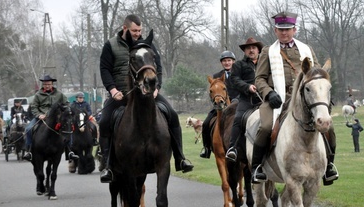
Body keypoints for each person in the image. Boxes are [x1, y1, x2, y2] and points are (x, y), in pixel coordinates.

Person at [98, 14, 193, 183]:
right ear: (125, 28)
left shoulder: (147, 46)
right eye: (135, 30)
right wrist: (113, 90)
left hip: (147, 93)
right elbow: (105, 69)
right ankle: (107, 165)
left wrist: (156, 88)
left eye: (140, 30)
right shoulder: (111, 45)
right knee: (105, 121)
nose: (137, 33)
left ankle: (180, 157)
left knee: (172, 114)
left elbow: (158, 68)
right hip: (121, 94)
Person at [251, 11, 339, 185]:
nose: (285, 33)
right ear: (275, 31)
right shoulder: (268, 52)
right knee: (266, 127)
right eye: (281, 30)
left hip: (303, 100)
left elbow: (317, 73)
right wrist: (269, 93)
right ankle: (257, 167)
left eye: (288, 29)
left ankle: (329, 166)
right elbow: (259, 79)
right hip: (277, 99)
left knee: (329, 127)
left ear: (294, 30)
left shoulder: (306, 49)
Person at [23, 75, 79, 162]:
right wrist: (39, 115)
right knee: (28, 128)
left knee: (68, 128)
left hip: (56, 118)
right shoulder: (38, 95)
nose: (47, 86)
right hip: (41, 118)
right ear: (43, 85)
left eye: (49, 84)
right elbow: (34, 107)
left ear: (52, 84)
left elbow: (67, 103)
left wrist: (64, 111)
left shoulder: (59, 94)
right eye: (45, 84)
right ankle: (29, 151)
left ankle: (69, 151)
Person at [225, 37, 264, 162]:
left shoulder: (265, 64)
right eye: (248, 48)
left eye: (253, 48)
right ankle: (232, 148)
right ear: (245, 51)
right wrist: (247, 87)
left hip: (263, 100)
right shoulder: (239, 65)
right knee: (237, 118)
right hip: (246, 100)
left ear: (258, 50)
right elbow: (234, 80)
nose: (251, 50)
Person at [199, 50, 238, 159]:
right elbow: (213, 92)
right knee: (206, 122)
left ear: (233, 61)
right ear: (222, 63)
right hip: (219, 107)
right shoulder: (216, 75)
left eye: (229, 60)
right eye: (225, 61)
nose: (227, 63)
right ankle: (206, 148)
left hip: (236, 104)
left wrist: (235, 100)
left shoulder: (238, 74)